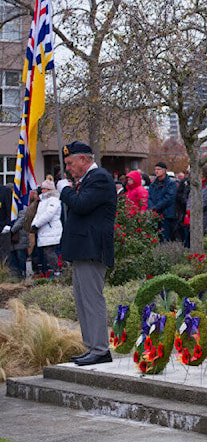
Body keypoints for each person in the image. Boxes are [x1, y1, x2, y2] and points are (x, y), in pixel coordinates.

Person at [57, 141, 118, 366]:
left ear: (84, 159)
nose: (68, 169)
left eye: (70, 163)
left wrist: (64, 189)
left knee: (92, 299)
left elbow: (81, 205)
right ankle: (92, 346)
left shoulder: (99, 178)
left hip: (92, 249)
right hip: (82, 249)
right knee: (83, 301)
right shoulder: (87, 181)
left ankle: (100, 349)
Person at [31, 180, 63, 276]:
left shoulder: (53, 200)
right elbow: (38, 215)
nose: (42, 191)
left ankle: (56, 271)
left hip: (50, 231)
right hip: (44, 231)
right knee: (46, 253)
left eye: (44, 188)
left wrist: (37, 224)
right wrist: (34, 224)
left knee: (50, 253)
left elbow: (48, 214)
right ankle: (49, 272)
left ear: (49, 189)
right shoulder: (43, 201)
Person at [147, 162, 177, 241]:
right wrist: (152, 208)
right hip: (154, 214)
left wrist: (155, 208)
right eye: (155, 169)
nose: (156, 171)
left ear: (164, 171)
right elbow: (149, 197)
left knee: (164, 238)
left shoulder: (171, 184)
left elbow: (168, 198)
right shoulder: (153, 184)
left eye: (159, 169)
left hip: (165, 214)